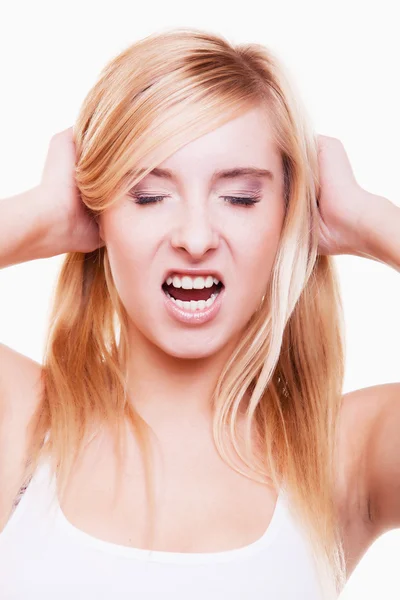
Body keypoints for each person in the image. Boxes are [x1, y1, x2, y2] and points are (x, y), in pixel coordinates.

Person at [0, 27, 399, 600]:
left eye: (239, 197)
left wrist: (369, 220)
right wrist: (40, 216)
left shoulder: (344, 451)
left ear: (288, 216)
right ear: (98, 212)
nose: (194, 237)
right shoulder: (21, 424)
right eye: (147, 195)